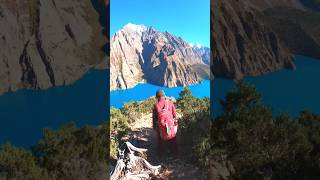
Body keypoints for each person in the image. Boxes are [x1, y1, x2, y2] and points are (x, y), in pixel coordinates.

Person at [152, 90, 178, 157]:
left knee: (159, 138)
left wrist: (155, 127)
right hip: (170, 125)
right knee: (173, 137)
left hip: (161, 126)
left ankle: (160, 153)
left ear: (157, 97)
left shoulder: (155, 105)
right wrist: (174, 123)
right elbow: (175, 115)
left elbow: (154, 119)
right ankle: (174, 153)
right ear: (164, 95)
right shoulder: (170, 102)